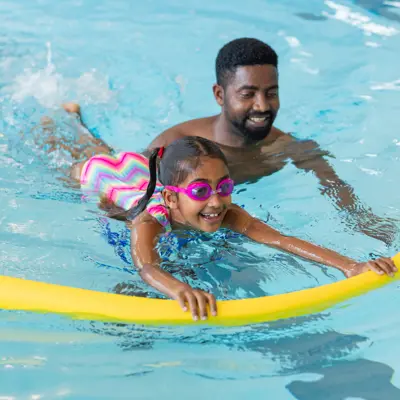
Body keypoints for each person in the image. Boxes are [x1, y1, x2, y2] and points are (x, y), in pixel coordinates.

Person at [67, 37, 397, 245]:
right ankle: (70, 121)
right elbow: (142, 194)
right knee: (91, 156)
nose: (263, 106)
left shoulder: (290, 148)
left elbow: (336, 188)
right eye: (248, 94)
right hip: (120, 175)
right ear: (219, 95)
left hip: (212, 211)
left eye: (271, 93)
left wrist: (369, 226)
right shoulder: (177, 143)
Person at [80, 135, 397, 321]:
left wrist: (351, 265)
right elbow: (147, 268)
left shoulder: (227, 211)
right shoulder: (148, 223)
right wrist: (181, 288)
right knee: (83, 154)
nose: (216, 202)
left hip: (144, 173)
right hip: (110, 184)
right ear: (170, 199)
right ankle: (66, 125)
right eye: (201, 191)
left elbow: (281, 240)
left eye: (224, 187)